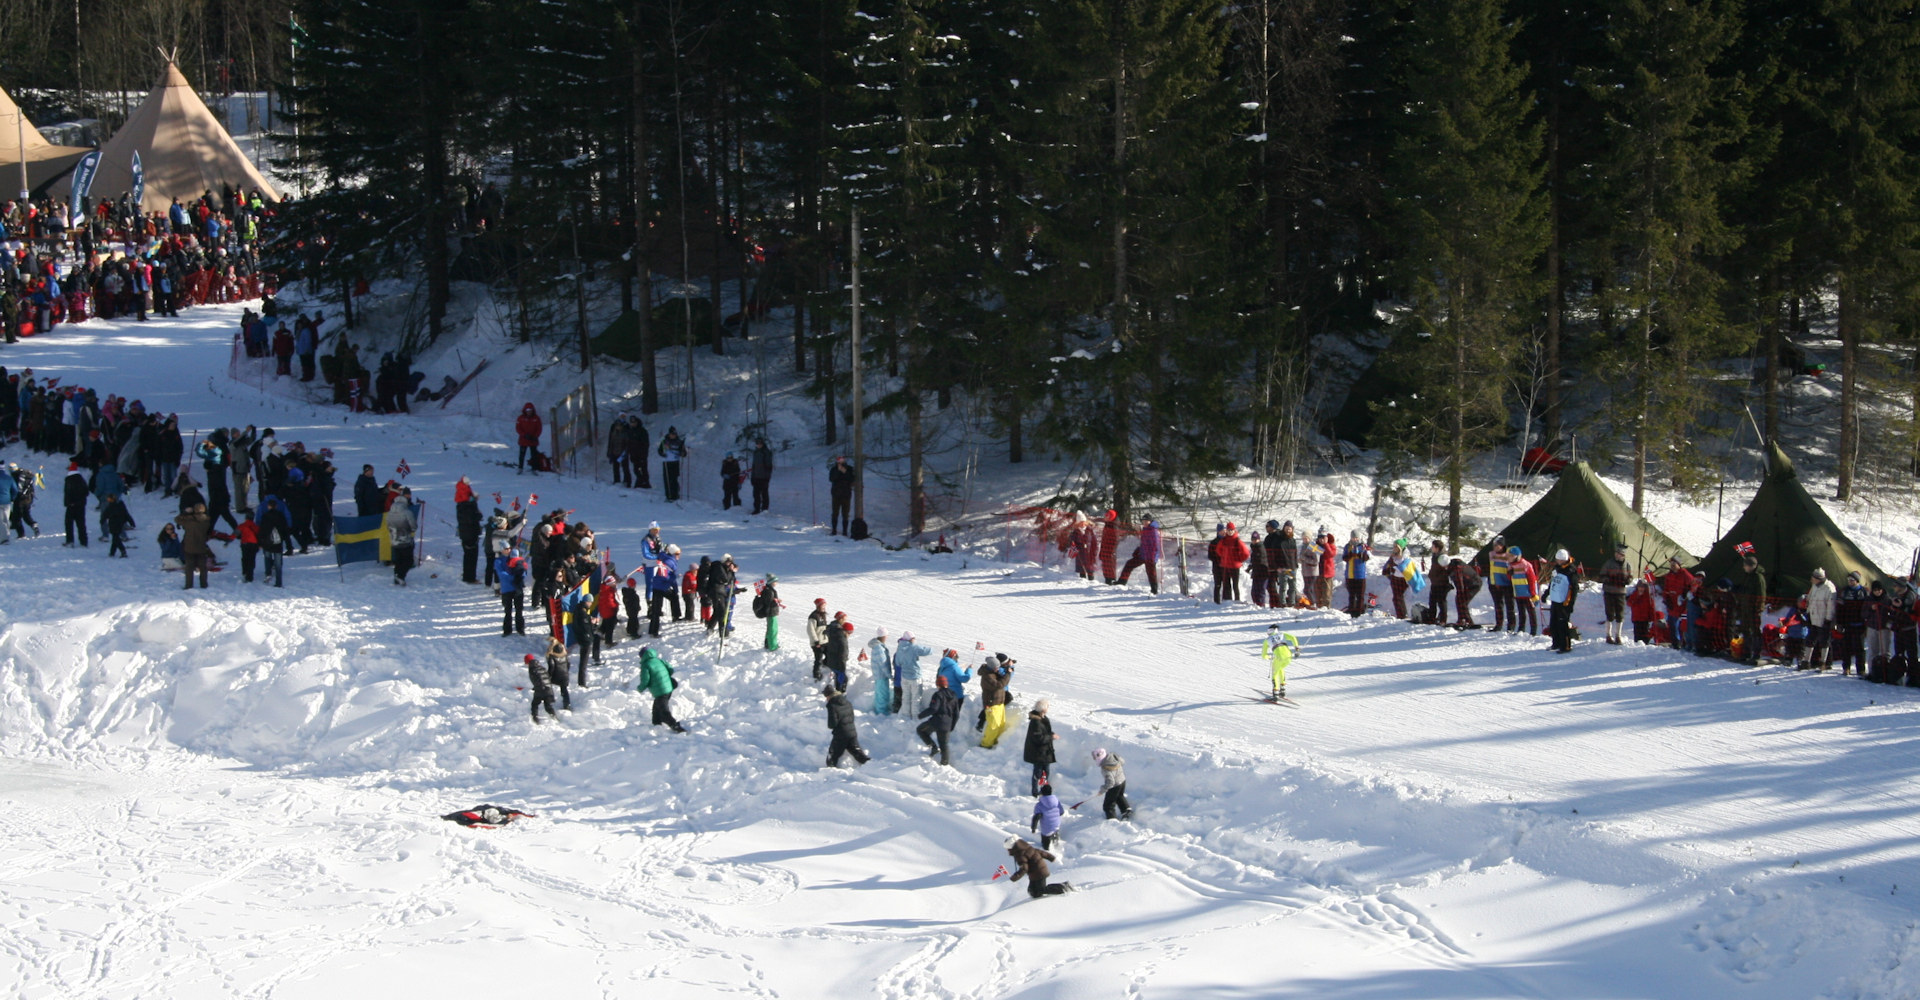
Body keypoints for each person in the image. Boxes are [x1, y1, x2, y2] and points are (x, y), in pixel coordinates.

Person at [1003, 836, 1071, 898]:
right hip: (1036, 873)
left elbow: (1024, 868)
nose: (1008, 851)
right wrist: (1051, 857)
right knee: (1033, 891)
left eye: (1008, 849)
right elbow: (1041, 852)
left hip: (1039, 873)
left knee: (1042, 889)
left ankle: (1064, 887)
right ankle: (1035, 895)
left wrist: (1015, 876)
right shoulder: (1027, 848)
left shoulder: (1020, 854)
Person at [637, 646, 685, 732]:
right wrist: (665, 677)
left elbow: (645, 680)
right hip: (669, 687)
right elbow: (670, 669)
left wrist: (640, 688)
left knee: (663, 711)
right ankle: (656, 723)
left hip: (660, 691)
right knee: (656, 708)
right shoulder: (658, 660)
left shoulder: (646, 665)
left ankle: (675, 726)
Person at [916, 675, 961, 766]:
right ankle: (944, 764)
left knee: (921, 730)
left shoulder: (938, 695)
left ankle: (933, 747)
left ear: (938, 685)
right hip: (948, 723)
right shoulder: (954, 695)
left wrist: (921, 715)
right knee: (944, 745)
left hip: (936, 721)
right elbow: (956, 713)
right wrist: (951, 726)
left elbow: (933, 709)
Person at [823, 684, 870, 767]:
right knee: (858, 754)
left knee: (832, 757)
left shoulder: (832, 705)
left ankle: (831, 774)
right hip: (852, 733)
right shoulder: (847, 702)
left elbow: (832, 724)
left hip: (840, 735)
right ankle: (872, 766)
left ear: (828, 696)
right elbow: (852, 717)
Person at [1837, 571, 1871, 676]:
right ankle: (1846, 667)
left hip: (1860, 624)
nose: (1850, 582)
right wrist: (1839, 623)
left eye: (1852, 580)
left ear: (1857, 581)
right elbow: (1839, 608)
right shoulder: (1844, 591)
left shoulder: (1864, 592)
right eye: (1848, 580)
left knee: (1859, 647)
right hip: (1847, 623)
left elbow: (1868, 608)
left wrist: (1866, 622)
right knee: (1846, 647)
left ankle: (1860, 669)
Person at [1804, 567, 1837, 670]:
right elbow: (1810, 599)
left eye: (1813, 577)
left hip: (1823, 619)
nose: (1811, 579)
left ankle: (1824, 662)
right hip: (1813, 617)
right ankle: (1806, 661)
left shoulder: (1829, 588)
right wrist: (1808, 613)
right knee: (1810, 640)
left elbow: (1831, 605)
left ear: (1818, 578)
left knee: (1824, 641)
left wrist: (1828, 619)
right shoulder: (1814, 586)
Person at [1023, 699, 1057, 795]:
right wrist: (1051, 737)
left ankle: (1043, 790)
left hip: (1045, 752)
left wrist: (1051, 735)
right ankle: (1035, 791)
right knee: (1038, 773)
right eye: (1047, 706)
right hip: (1038, 753)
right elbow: (1038, 738)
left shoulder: (1043, 718)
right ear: (1042, 709)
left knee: (1046, 773)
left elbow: (1045, 732)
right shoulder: (1036, 722)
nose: (1048, 708)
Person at [978, 655, 1014, 748]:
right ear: (991, 667)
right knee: (994, 726)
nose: (998, 669)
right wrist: (1008, 674)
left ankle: (994, 741)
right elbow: (999, 684)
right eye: (996, 667)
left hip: (999, 703)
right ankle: (985, 744)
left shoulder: (993, 672)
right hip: (991, 704)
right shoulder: (988, 676)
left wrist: (1009, 669)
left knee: (1001, 724)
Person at [645, 544, 681, 636]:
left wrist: (675, 588)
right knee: (656, 610)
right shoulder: (669, 562)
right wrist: (673, 579)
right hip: (658, 587)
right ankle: (653, 631)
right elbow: (666, 576)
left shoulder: (670, 560)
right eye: (677, 553)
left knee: (674, 596)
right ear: (673, 554)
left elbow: (672, 576)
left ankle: (676, 615)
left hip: (664, 586)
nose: (679, 555)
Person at [895, 631, 933, 717]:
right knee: (916, 698)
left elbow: (898, 663)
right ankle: (916, 716)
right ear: (911, 639)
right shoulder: (914, 647)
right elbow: (928, 651)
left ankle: (905, 715)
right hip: (915, 677)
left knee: (906, 697)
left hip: (904, 676)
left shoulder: (900, 648)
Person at [1600, 544, 1632, 645]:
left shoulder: (1627, 565)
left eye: (1620, 554)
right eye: (1616, 553)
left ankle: (1618, 636)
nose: (1617, 555)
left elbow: (1630, 577)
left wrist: (1627, 581)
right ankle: (1608, 635)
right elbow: (1601, 576)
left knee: (1620, 614)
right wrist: (1609, 580)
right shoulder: (1608, 563)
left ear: (1623, 555)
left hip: (1621, 593)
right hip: (1609, 592)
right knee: (1609, 614)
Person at [177, 503, 213, 589]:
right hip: (201, 546)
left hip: (189, 546)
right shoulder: (207, 520)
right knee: (203, 568)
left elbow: (177, 519)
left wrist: (185, 512)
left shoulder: (189, 520)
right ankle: (204, 584)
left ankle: (189, 585)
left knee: (189, 568)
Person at [1547, 549, 1576, 653]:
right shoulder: (1556, 569)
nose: (1558, 562)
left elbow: (1574, 589)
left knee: (1562, 625)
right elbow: (1552, 582)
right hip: (1555, 600)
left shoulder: (1570, 571)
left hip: (1564, 602)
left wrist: (1571, 604)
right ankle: (1556, 643)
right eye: (1557, 560)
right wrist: (1547, 593)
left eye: (1560, 560)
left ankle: (1566, 646)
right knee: (1553, 624)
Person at [387, 488, 418, 585]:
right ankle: (400, 576)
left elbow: (388, 526)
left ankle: (397, 576)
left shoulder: (389, 513)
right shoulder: (407, 512)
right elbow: (414, 526)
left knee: (398, 560)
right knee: (408, 561)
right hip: (405, 540)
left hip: (394, 540)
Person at [455, 477, 482, 584]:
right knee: (472, 555)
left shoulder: (460, 503)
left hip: (464, 532)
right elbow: (473, 518)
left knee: (467, 555)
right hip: (471, 533)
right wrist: (477, 511)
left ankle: (467, 575)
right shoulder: (468, 506)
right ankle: (470, 577)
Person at [1092, 747, 1131, 820]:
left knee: (1108, 805)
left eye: (1095, 758)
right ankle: (1126, 810)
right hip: (1122, 780)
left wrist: (1102, 790)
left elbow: (1110, 782)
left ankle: (1112, 820)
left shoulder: (1105, 767)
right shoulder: (1114, 756)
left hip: (1115, 786)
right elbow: (1122, 762)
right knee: (1119, 796)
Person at [1509, 546, 1539, 635]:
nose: (1509, 557)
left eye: (1511, 556)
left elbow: (1532, 579)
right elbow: (1511, 579)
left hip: (1527, 593)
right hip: (1518, 593)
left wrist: (1533, 593)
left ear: (1517, 556)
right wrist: (1509, 573)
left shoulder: (1526, 565)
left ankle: (1533, 631)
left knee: (1531, 613)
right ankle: (1521, 629)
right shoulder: (1511, 566)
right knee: (1521, 612)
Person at [1262, 626, 1299, 699]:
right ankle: (1282, 690)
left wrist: (1269, 657)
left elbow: (1263, 655)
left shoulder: (1267, 640)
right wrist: (1297, 649)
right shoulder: (1282, 634)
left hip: (1278, 657)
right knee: (1281, 668)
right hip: (1288, 656)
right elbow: (1293, 637)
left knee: (1275, 673)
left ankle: (1275, 693)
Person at [1266, 520, 1297, 607]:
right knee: (1283, 586)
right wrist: (1277, 567)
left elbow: (1295, 554)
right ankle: (1282, 603)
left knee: (1292, 586)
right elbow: (1274, 554)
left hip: (1291, 567)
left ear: (1292, 530)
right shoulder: (1279, 540)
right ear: (1284, 529)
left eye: (1289, 529)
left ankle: (1292, 602)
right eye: (1286, 528)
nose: (1288, 530)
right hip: (1282, 567)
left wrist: (1295, 565)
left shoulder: (1292, 540)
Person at [497, 548, 528, 636]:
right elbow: (502, 574)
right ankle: (507, 630)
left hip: (517, 589)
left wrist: (521, 575)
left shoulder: (517, 560)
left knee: (519, 610)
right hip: (507, 589)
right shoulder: (499, 561)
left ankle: (520, 628)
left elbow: (524, 571)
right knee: (508, 610)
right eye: (505, 549)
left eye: (508, 549)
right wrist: (515, 578)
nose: (507, 550)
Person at [1486, 537, 1514, 632]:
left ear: (1502, 546)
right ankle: (1498, 625)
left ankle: (1511, 626)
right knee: (1498, 605)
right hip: (1494, 583)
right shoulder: (1491, 554)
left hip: (1506, 584)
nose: (1495, 548)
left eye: (1498, 545)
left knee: (1510, 606)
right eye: (1494, 545)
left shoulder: (1509, 555)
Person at [1341, 530, 1370, 617]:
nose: (1355, 539)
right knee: (1351, 594)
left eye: (1356, 538)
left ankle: (1359, 611)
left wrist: (1360, 554)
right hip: (1350, 575)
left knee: (1360, 594)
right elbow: (1345, 558)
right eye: (1353, 538)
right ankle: (1351, 609)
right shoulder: (1347, 546)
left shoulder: (1363, 546)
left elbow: (1366, 557)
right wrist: (1351, 554)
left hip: (1360, 574)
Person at [1030, 786, 1066, 852]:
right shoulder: (1056, 801)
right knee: (1055, 836)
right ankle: (1056, 844)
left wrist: (1033, 828)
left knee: (1046, 846)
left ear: (1042, 793)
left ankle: (1047, 849)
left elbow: (1036, 818)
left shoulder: (1039, 805)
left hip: (1046, 830)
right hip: (1056, 826)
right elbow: (1061, 812)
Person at [867, 629, 894, 714]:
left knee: (880, 693)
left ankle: (880, 710)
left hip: (879, 674)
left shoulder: (878, 646)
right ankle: (882, 712)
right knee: (882, 694)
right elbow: (883, 663)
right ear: (883, 636)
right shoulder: (879, 648)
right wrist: (889, 675)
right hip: (881, 675)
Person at [62, 462, 89, 547]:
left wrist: (67, 503)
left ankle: (70, 541)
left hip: (71, 505)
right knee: (81, 524)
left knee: (69, 524)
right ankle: (84, 541)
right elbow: (86, 492)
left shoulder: (69, 479)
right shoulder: (81, 479)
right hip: (81, 505)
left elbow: (68, 493)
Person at [525, 653, 557, 724]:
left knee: (535, 704)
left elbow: (535, 680)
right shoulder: (542, 667)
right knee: (548, 706)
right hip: (549, 689)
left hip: (541, 689)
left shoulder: (532, 669)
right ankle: (554, 717)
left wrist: (535, 687)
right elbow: (546, 678)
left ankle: (535, 718)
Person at [657, 426, 687, 501]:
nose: (673, 435)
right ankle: (668, 495)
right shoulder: (664, 441)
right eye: (671, 434)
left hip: (675, 462)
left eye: (674, 434)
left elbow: (684, 453)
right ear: (669, 434)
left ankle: (675, 495)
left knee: (674, 479)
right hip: (667, 462)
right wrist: (662, 454)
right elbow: (660, 450)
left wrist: (683, 453)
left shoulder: (679, 442)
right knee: (667, 479)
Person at [1383, 540, 1411, 619]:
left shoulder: (1405, 556)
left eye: (1396, 546)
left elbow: (1402, 568)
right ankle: (1400, 615)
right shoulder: (1394, 555)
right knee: (1396, 597)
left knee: (1398, 597)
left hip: (1402, 579)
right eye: (1393, 546)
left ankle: (1403, 615)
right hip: (1395, 578)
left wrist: (1394, 568)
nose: (1394, 548)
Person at [1426, 540, 1453, 625]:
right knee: (1432, 602)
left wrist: (1436, 576)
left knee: (1441, 602)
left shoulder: (1443, 557)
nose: (1431, 548)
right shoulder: (1434, 556)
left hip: (1441, 583)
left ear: (1437, 548)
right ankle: (1432, 618)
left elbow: (1444, 571)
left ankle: (1443, 620)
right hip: (1435, 582)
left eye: (1433, 547)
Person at [827, 455, 855, 535]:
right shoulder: (834, 469)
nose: (840, 461)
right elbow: (831, 479)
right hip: (836, 494)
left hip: (846, 494)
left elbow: (851, 478)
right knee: (835, 513)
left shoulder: (849, 469)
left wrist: (844, 471)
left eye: (842, 460)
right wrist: (838, 471)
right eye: (839, 460)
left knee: (845, 514)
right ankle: (834, 530)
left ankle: (845, 531)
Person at [543, 637, 572, 711]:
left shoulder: (552, 657)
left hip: (556, 677)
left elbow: (551, 667)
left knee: (549, 688)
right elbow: (568, 665)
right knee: (564, 690)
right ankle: (567, 704)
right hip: (565, 676)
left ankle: (550, 701)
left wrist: (549, 677)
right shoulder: (565, 656)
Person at [102, 493, 134, 558]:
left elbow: (105, 515)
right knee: (115, 537)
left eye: (109, 499)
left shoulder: (111, 507)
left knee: (116, 538)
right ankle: (112, 552)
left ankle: (123, 551)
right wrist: (131, 522)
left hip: (113, 524)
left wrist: (102, 520)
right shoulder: (120, 505)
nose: (108, 500)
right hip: (120, 524)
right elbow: (126, 514)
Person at [825, 617, 853, 691]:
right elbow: (842, 655)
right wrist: (842, 668)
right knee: (843, 680)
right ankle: (840, 693)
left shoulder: (834, 634)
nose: (850, 634)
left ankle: (838, 691)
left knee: (838, 677)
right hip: (838, 664)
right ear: (846, 631)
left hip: (832, 661)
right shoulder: (842, 641)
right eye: (850, 632)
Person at [755, 574, 781, 651]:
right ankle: (772, 646)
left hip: (772, 612)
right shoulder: (769, 591)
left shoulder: (769, 589)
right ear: (772, 582)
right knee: (773, 629)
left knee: (770, 628)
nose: (777, 583)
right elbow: (768, 602)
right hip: (771, 612)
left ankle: (768, 644)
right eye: (775, 581)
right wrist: (776, 602)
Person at [807, 598, 831, 680]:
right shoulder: (813, 616)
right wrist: (816, 641)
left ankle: (826, 664)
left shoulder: (823, 615)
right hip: (817, 642)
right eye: (823, 605)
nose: (824, 607)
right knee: (818, 658)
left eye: (825, 605)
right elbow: (810, 630)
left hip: (824, 640)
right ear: (818, 606)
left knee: (829, 654)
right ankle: (816, 674)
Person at [515, 403, 543, 473]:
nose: (529, 411)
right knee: (522, 454)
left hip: (533, 440)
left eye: (530, 410)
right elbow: (518, 428)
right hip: (523, 439)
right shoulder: (520, 418)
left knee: (534, 455)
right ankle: (520, 468)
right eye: (527, 410)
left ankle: (534, 468)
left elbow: (539, 428)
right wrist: (524, 435)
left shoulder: (536, 418)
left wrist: (535, 436)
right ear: (525, 410)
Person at [607, 415, 632, 487]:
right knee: (615, 468)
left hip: (623, 453)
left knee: (625, 468)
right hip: (615, 452)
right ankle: (616, 480)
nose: (618, 427)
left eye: (619, 426)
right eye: (617, 426)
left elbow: (628, 443)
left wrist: (626, 452)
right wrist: (610, 452)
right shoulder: (614, 433)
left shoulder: (625, 433)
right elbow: (611, 443)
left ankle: (627, 482)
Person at [749, 438, 774, 514]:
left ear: (762, 444)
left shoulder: (766, 452)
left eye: (760, 443)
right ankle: (756, 509)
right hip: (756, 477)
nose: (758, 445)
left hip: (764, 477)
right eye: (757, 443)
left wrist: (767, 477)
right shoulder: (755, 452)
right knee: (756, 494)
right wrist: (752, 477)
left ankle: (764, 509)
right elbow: (754, 466)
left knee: (764, 494)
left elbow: (769, 466)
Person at [1099, 509, 1122, 585]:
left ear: (1110, 517)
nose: (1105, 517)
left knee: (1110, 565)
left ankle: (1111, 580)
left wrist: (1111, 551)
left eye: (1107, 516)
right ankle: (1107, 580)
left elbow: (1115, 540)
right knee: (1105, 565)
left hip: (1110, 550)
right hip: (1105, 549)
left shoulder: (1114, 526)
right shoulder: (1108, 524)